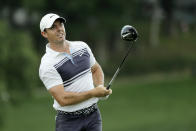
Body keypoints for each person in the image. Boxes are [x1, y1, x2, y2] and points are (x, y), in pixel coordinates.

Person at [39, 13, 112, 131]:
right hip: (68, 122)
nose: (59, 29)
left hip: (93, 115)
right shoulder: (47, 64)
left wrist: (100, 86)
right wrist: (94, 92)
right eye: (53, 27)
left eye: (60, 25)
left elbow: (96, 69)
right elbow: (63, 99)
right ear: (44, 33)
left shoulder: (82, 46)